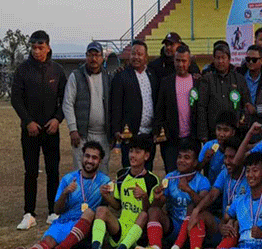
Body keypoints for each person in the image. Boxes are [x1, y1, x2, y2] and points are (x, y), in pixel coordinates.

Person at [14, 141, 113, 249]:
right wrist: (65, 193)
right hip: (66, 222)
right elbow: (56, 210)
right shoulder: (68, 179)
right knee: (49, 239)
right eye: (87, 156)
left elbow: (114, 207)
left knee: (89, 212)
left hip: (87, 230)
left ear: (100, 161)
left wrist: (106, 195)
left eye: (94, 158)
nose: (90, 160)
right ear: (82, 157)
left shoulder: (105, 181)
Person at [11, 30, 68, 230]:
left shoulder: (57, 70)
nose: (37, 51)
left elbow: (65, 99)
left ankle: (53, 211)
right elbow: (16, 99)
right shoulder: (23, 70)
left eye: (40, 47)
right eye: (34, 47)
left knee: (53, 170)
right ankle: (29, 213)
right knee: (31, 171)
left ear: (48, 47)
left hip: (51, 129)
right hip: (30, 130)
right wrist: (28, 122)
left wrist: (57, 119)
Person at [77, 135, 161, 249]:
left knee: (143, 215)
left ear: (146, 156)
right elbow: (117, 206)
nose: (132, 155)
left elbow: (148, 212)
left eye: (137, 152)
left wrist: (144, 197)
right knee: (101, 209)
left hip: (139, 235)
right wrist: (106, 196)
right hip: (120, 228)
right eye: (131, 151)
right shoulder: (121, 175)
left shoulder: (152, 180)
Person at [135, 138, 211, 249]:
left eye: (187, 158)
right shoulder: (170, 177)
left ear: (195, 162)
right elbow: (157, 206)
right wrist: (157, 198)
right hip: (174, 227)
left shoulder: (202, 181)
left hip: (194, 231)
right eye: (179, 157)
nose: (181, 160)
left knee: (192, 207)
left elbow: (204, 205)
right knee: (153, 210)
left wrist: (189, 190)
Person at [63, 41, 113, 185]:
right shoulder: (76, 76)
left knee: (102, 170)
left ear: (102, 58)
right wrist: (73, 129)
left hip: (103, 134)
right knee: (81, 170)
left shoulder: (109, 77)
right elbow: (68, 103)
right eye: (90, 55)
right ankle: (81, 198)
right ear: (86, 56)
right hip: (82, 134)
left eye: (97, 55)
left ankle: (100, 198)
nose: (93, 58)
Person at [111, 39, 158, 171]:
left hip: (149, 135)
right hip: (130, 134)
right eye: (133, 54)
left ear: (146, 57)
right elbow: (115, 105)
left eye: (140, 54)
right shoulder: (121, 76)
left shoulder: (153, 75)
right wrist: (116, 130)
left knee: (147, 171)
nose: (136, 57)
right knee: (130, 170)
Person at [154, 44, 197, 173]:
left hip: (191, 138)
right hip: (171, 140)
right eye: (178, 60)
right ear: (174, 61)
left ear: (189, 62)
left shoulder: (197, 82)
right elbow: (160, 110)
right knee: (172, 175)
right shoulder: (166, 82)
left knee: (191, 175)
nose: (180, 64)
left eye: (184, 61)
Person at [197, 42, 250, 141]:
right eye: (217, 58)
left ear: (229, 59)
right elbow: (201, 107)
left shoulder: (239, 79)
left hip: (235, 133)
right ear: (213, 59)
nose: (220, 61)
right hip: (213, 133)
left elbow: (246, 104)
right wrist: (203, 134)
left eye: (223, 58)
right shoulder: (207, 79)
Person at [197, 110, 237, 184]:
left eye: (226, 130)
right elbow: (196, 170)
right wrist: (205, 160)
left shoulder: (238, 148)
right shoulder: (209, 146)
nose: (221, 134)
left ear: (233, 132)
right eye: (219, 129)